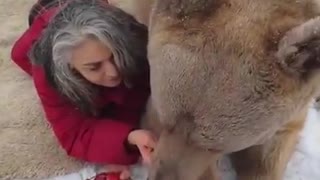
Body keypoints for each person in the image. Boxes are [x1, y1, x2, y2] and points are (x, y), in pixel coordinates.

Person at [11, 0, 156, 179]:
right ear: (69, 68)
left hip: (96, 9)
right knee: (19, 53)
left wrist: (130, 135)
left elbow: (138, 91)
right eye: (94, 67)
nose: (113, 71)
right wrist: (127, 139)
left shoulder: (131, 35)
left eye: (114, 55)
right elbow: (75, 133)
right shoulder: (49, 71)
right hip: (46, 20)